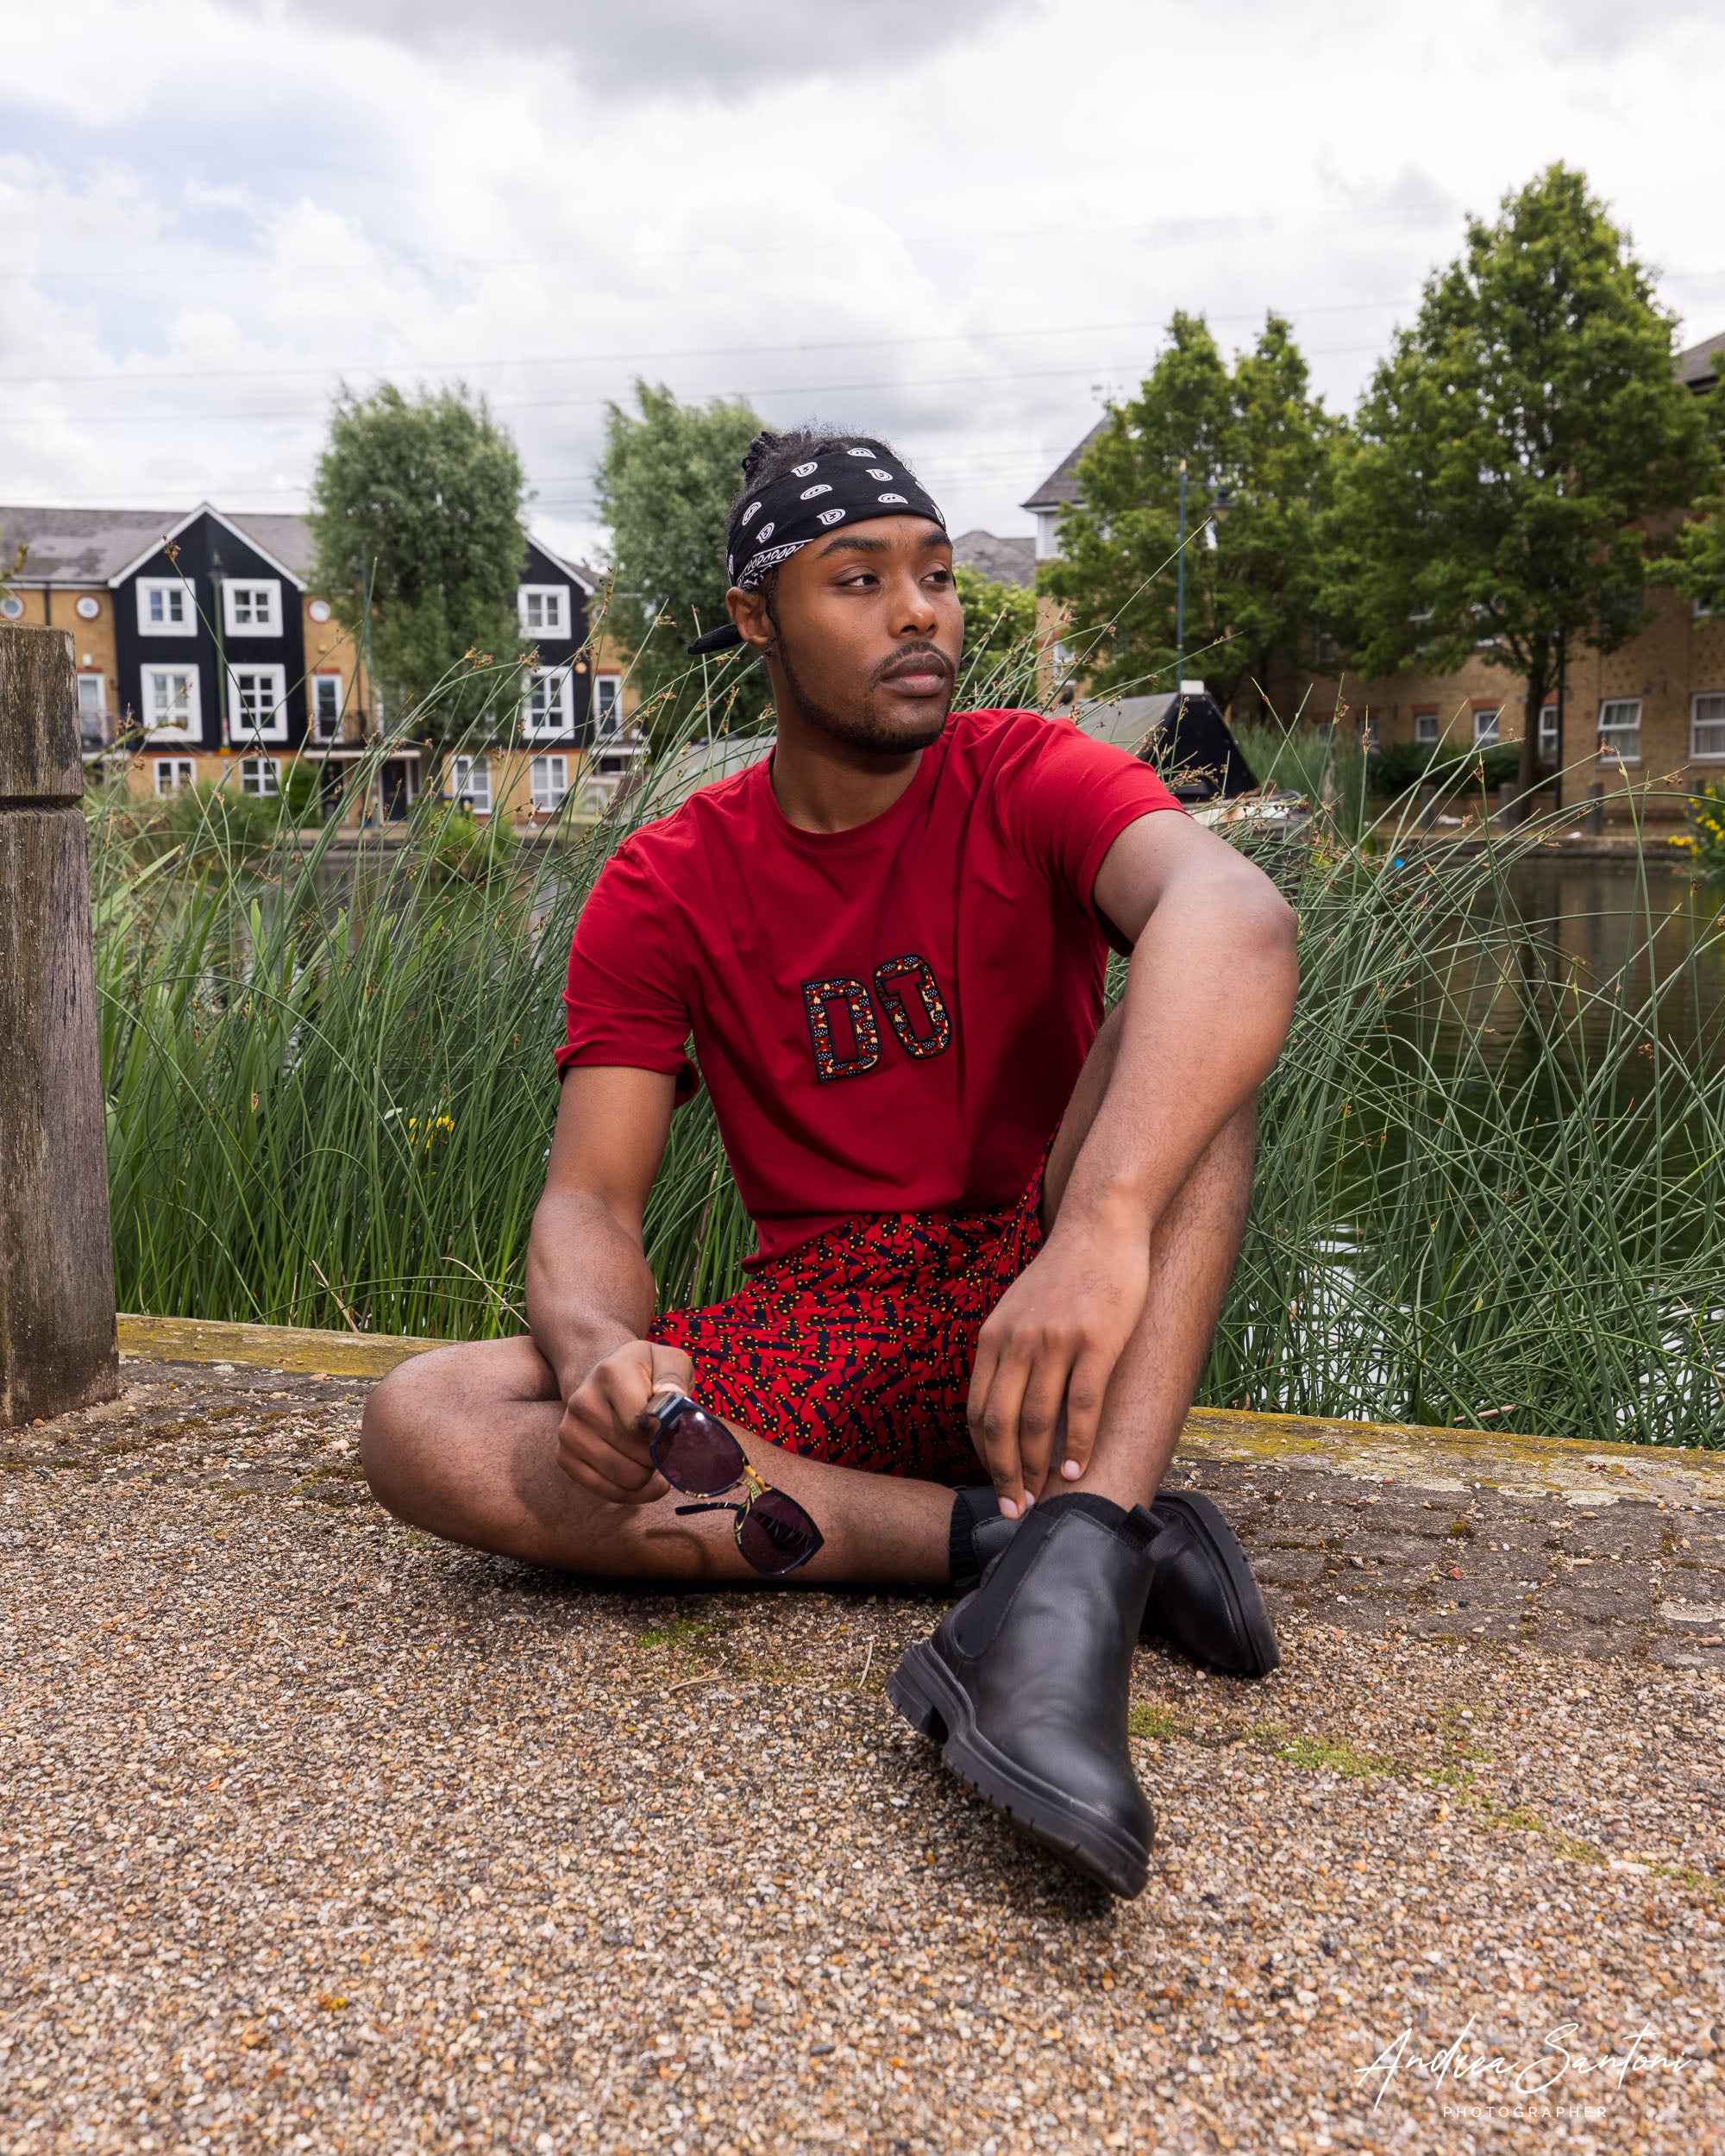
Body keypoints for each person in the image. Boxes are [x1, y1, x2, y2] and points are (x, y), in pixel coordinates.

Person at [361, 427, 1299, 1898]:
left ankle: (1080, 1566)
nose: (918, 611)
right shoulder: (667, 879)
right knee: (429, 1415)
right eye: (857, 580)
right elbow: (589, 1198)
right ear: (757, 621)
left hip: (1042, 1302)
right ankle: (1015, 1545)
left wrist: (1099, 1227)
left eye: (934, 574)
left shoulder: (1029, 773)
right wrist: (611, 1357)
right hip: (830, 1336)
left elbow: (1238, 919)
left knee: (1194, 1035)